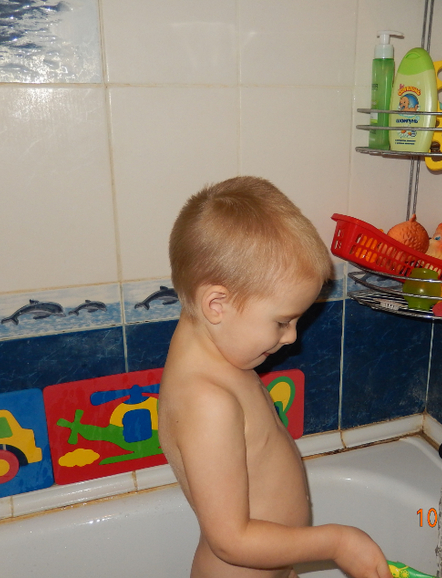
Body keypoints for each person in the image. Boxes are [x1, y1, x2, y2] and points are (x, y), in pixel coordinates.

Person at [158, 176, 392, 578]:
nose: (292, 337)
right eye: (282, 321)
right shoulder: (206, 401)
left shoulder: (220, 350)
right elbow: (231, 540)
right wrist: (337, 543)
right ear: (216, 304)